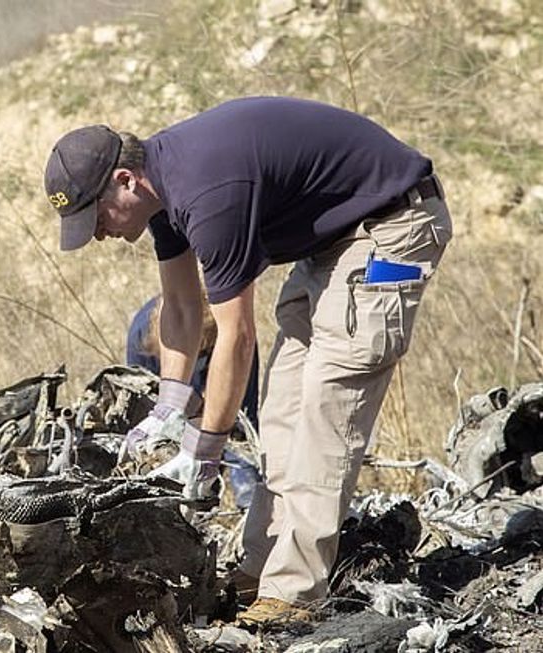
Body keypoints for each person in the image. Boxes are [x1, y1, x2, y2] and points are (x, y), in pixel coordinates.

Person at [43, 97, 452, 626]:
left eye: (95, 216)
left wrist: (205, 449)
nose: (97, 233)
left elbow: (236, 337)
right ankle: (262, 567)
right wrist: (170, 405)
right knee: (281, 410)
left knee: (327, 409)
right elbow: (184, 309)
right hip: (331, 245)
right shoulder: (161, 192)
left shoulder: (208, 194)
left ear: (125, 180)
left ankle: (295, 593)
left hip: (393, 226)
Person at [126, 294, 261, 508]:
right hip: (160, 364)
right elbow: (142, 405)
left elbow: (243, 418)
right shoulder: (141, 338)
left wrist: (247, 485)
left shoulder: (236, 338)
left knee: (231, 437)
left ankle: (242, 499)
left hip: (222, 349)